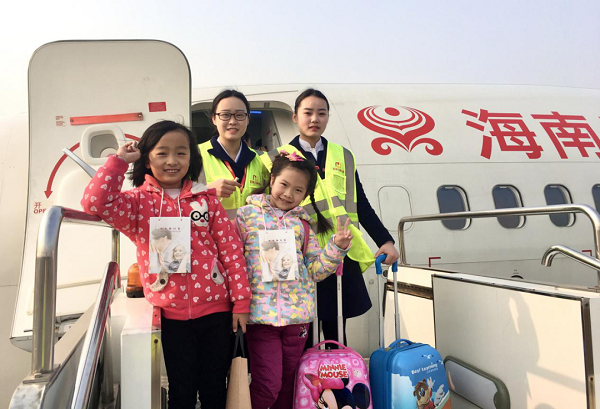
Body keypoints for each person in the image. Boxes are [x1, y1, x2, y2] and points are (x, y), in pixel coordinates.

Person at [81, 120, 250, 409]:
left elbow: (231, 252)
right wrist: (119, 161)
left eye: (181, 152)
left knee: (214, 388)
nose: (172, 160)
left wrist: (241, 303)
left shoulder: (207, 200)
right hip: (171, 317)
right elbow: (94, 203)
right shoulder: (136, 203)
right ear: (147, 159)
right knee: (181, 390)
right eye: (162, 153)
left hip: (217, 313)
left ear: (191, 158)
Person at [260, 89, 400, 345]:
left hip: (341, 253)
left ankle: (338, 372)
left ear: (327, 117)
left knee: (337, 330)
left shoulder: (343, 155)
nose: (315, 119)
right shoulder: (274, 158)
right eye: (308, 113)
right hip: (301, 256)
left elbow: (361, 204)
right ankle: (306, 373)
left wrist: (385, 240)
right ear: (295, 117)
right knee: (301, 334)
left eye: (321, 113)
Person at [235, 152, 353, 409]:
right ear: (272, 179)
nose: (288, 194)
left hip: (298, 319)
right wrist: (238, 303)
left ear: (305, 195)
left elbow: (316, 270)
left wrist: (337, 248)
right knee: (268, 384)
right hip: (260, 318)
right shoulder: (246, 216)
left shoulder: (303, 225)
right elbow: (235, 263)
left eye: (298, 190)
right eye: (284, 184)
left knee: (289, 384)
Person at [198, 90, 269, 220]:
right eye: (225, 115)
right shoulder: (195, 155)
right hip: (210, 232)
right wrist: (207, 190)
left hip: (251, 232)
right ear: (214, 119)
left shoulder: (260, 160)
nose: (232, 121)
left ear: (248, 119)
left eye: (239, 115)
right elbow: (175, 199)